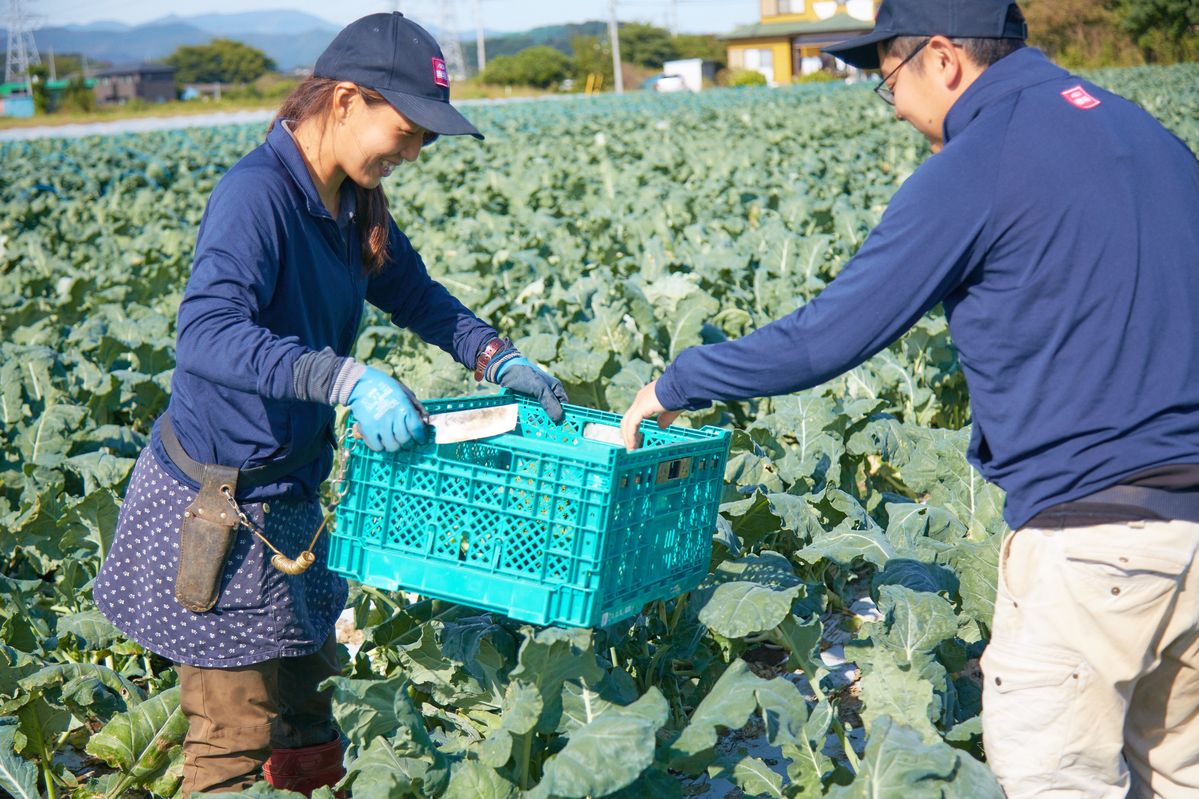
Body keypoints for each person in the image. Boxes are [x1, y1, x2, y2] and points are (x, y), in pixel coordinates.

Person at [621, 1, 1199, 797]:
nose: (890, 103)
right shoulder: (1148, 136)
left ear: (941, 58)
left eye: (886, 77)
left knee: (1052, 778)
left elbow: (829, 335)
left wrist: (677, 382)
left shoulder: (982, 158)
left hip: (1090, 543)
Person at [93, 13, 567, 796]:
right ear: (345, 101)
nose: (413, 152)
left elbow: (413, 292)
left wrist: (495, 354)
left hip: (288, 501)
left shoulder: (349, 201)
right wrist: (344, 378)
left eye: (427, 139)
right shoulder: (257, 196)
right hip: (219, 505)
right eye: (408, 130)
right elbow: (206, 335)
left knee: (313, 711)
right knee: (233, 738)